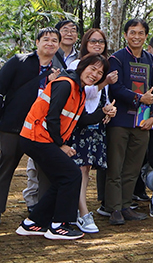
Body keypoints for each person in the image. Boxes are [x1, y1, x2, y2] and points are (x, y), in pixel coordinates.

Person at [15, 54, 116, 240]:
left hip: (41, 139)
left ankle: (34, 223)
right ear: (82, 66)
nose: (95, 74)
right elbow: (52, 117)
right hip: (36, 138)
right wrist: (61, 145)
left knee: (64, 179)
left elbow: (82, 120)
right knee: (72, 174)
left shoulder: (80, 91)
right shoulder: (66, 84)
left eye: (100, 73)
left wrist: (103, 111)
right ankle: (60, 224)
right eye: (92, 69)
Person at [105, 18, 153, 226]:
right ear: (125, 35)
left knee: (133, 167)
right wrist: (139, 98)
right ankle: (113, 209)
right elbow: (116, 88)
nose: (136, 37)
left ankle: (126, 205)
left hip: (143, 123)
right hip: (120, 121)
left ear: (146, 36)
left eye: (140, 33)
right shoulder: (117, 59)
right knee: (116, 166)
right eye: (132, 32)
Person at [0, 28, 62, 223]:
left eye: (54, 40)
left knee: (46, 170)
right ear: (37, 42)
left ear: (59, 45)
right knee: (4, 167)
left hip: (42, 130)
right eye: (46, 39)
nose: (50, 43)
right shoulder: (19, 61)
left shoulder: (60, 70)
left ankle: (43, 214)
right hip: (13, 126)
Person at [67, 29, 118, 234]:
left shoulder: (103, 67)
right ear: (85, 42)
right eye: (93, 41)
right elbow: (85, 91)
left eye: (102, 42)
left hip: (96, 124)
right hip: (78, 123)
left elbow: (100, 97)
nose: (98, 44)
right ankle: (82, 212)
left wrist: (107, 111)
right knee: (77, 169)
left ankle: (78, 211)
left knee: (85, 169)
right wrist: (105, 81)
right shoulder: (75, 65)